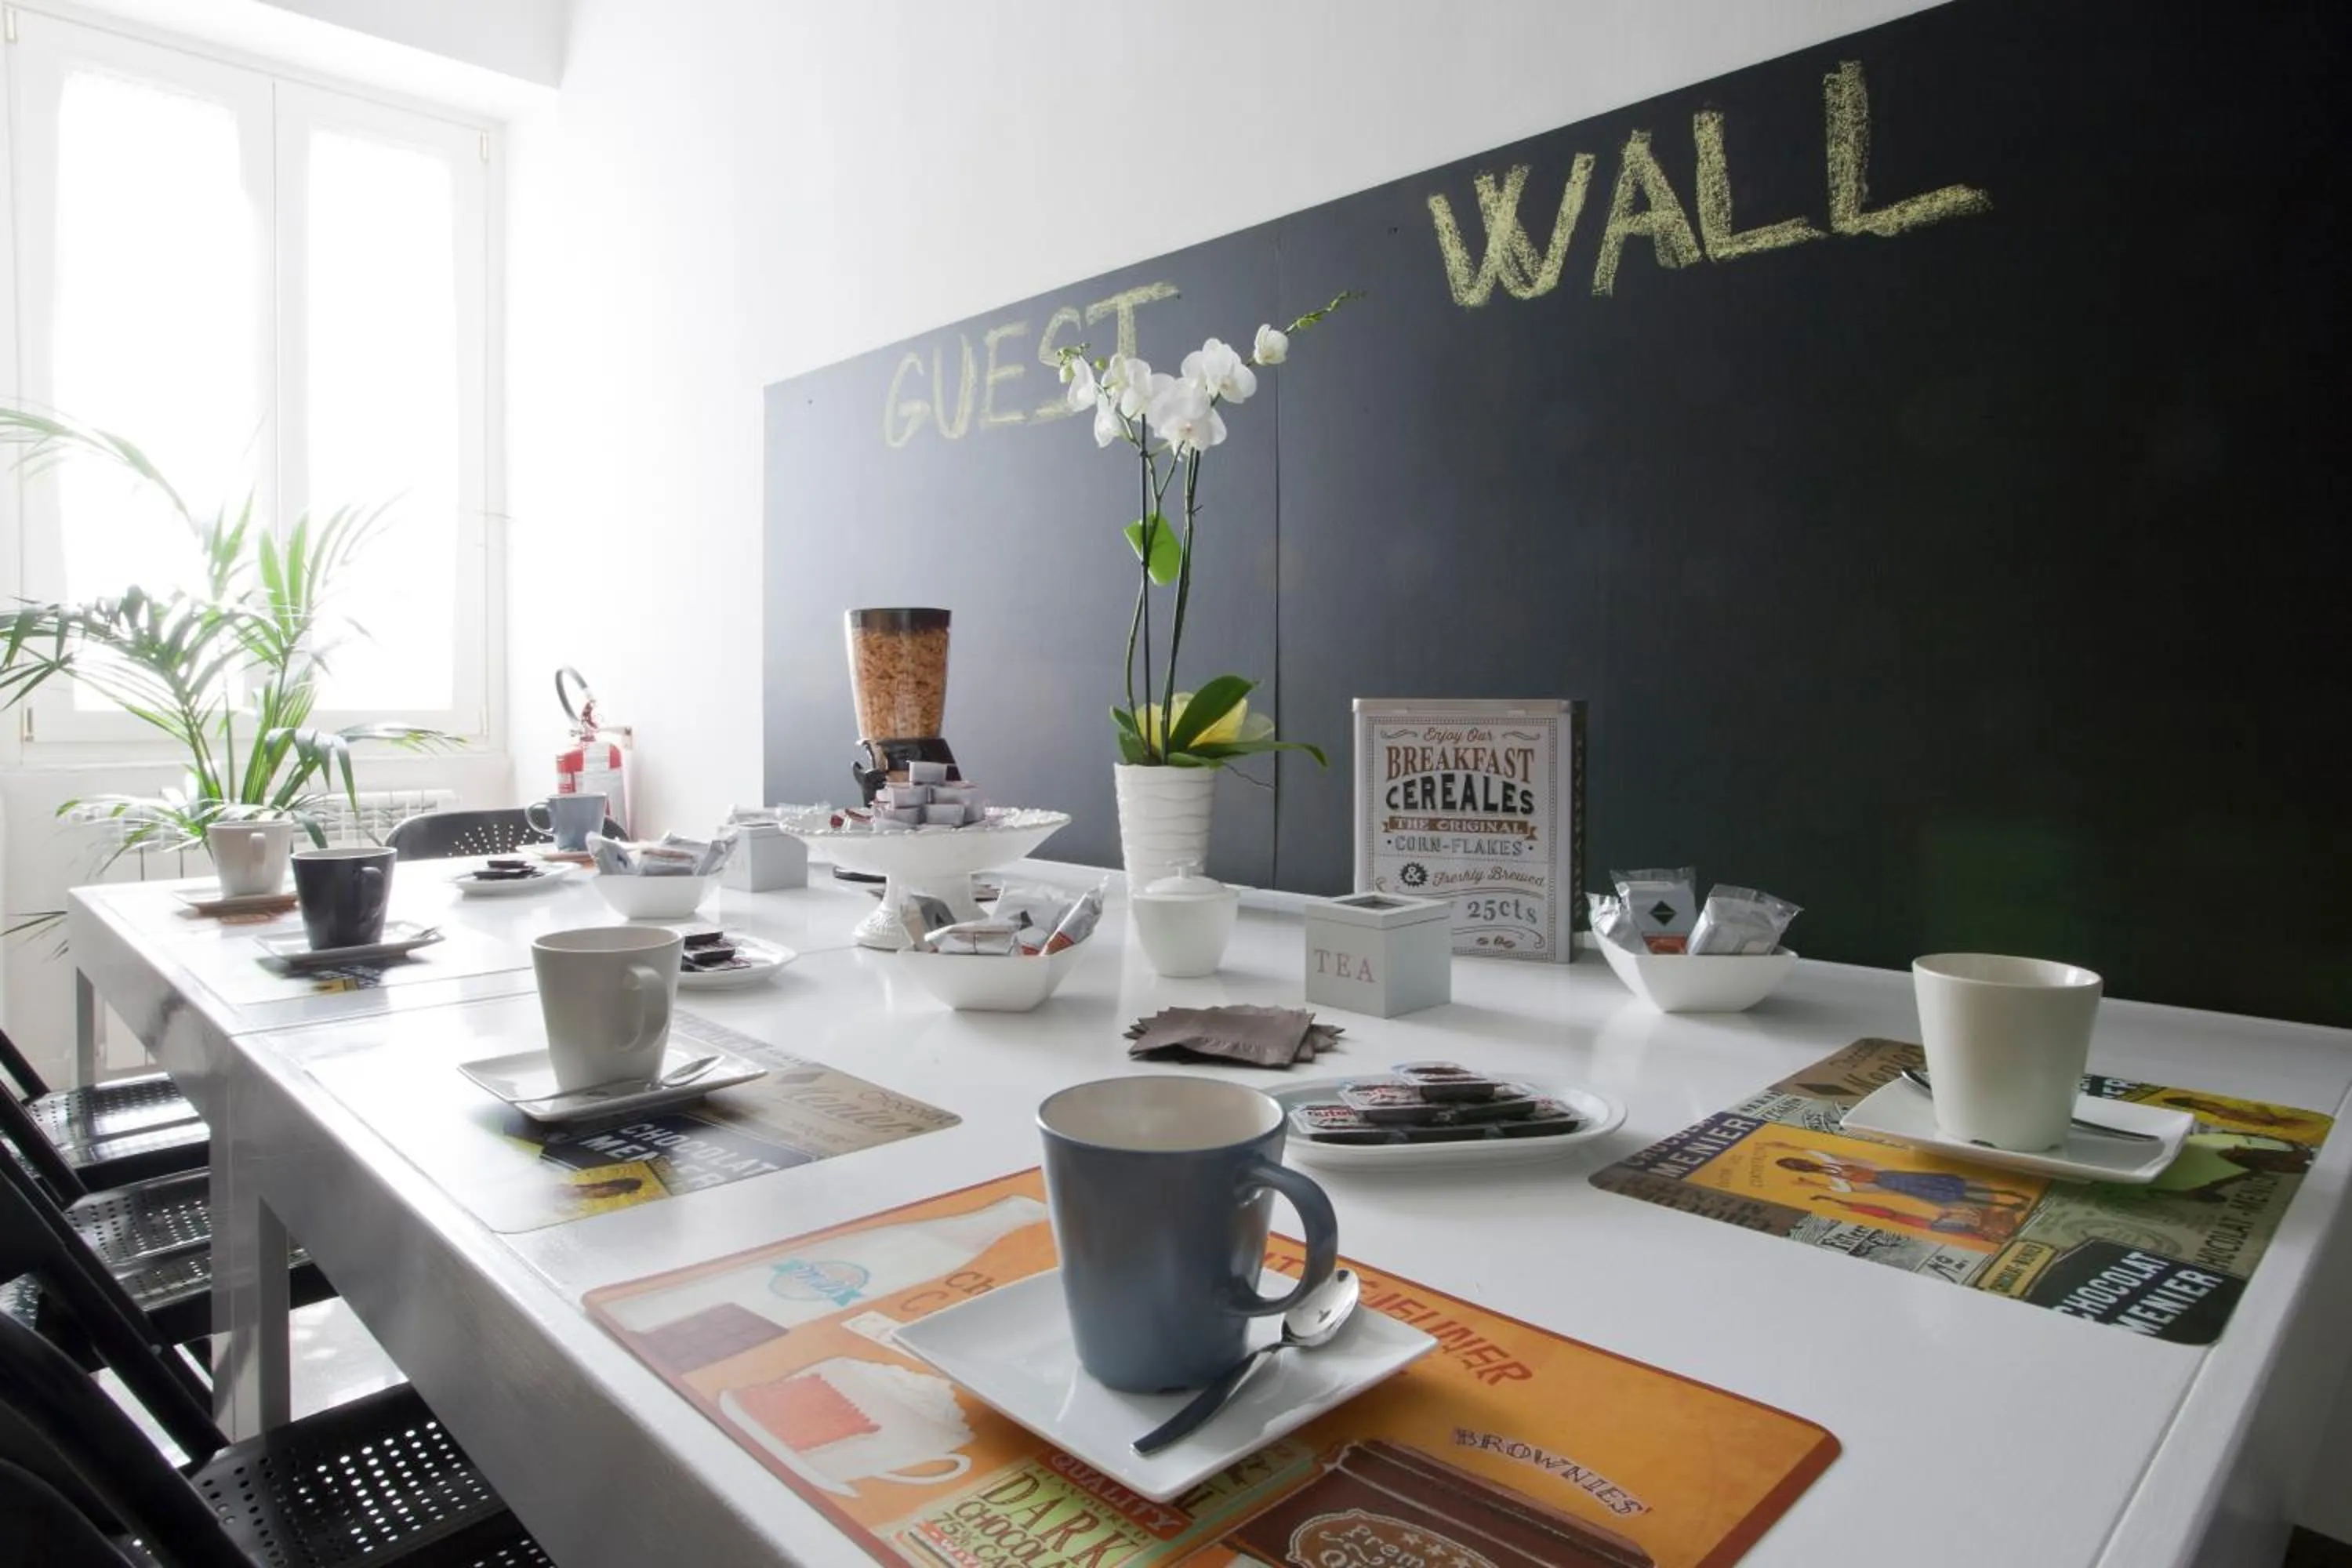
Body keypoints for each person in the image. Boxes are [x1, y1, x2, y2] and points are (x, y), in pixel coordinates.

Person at [1768, 1147, 2033, 1209]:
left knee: (1950, 1184)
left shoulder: (1828, 1162)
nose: (1799, 1163)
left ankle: (2012, 1196)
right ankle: (2006, 1204)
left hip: (1891, 1175)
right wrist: (1811, 1183)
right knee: (1949, 1195)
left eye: (1796, 1162)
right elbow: (1846, 1191)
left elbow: (1817, 1153)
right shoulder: (1830, 1179)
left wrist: (1790, 1148)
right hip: (1889, 1182)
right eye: (1795, 1165)